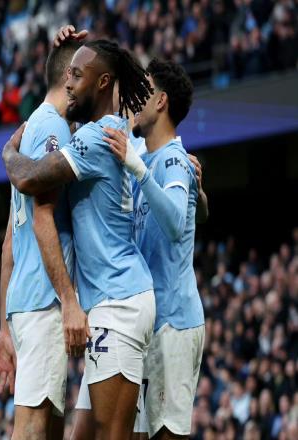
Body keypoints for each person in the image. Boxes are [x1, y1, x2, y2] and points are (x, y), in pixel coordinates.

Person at [2, 39, 155, 440]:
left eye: (78, 75)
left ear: (102, 82)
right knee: (84, 433)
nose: (69, 84)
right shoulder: (103, 131)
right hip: (115, 297)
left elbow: (28, 178)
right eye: (67, 73)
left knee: (112, 435)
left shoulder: (96, 137)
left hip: (117, 302)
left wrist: (8, 152)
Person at [0, 38, 89, 440]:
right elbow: (43, 219)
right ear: (70, 78)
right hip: (45, 299)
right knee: (32, 429)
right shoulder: (51, 127)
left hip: (25, 300)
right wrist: (68, 299)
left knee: (49, 429)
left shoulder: (30, 129)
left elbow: (8, 244)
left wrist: (4, 327)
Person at [102, 59, 206, 439]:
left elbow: (176, 222)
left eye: (143, 91)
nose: (135, 99)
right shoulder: (147, 156)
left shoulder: (173, 159)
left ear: (161, 101)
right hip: (150, 323)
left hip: (174, 322)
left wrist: (138, 169)